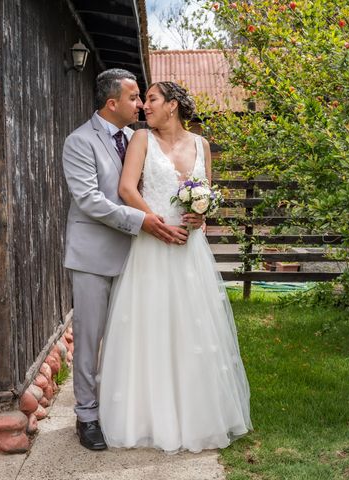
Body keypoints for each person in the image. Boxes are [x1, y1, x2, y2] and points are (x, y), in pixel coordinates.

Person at [98, 81, 252, 453]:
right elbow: (127, 189)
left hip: (190, 251)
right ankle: (149, 417)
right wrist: (157, 223)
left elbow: (207, 195)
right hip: (153, 245)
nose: (143, 107)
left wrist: (202, 216)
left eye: (151, 100)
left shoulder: (201, 145)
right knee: (151, 327)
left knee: (194, 329)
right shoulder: (140, 140)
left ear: (173, 106)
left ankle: (196, 415)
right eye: (143, 100)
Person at [62, 70, 189, 451]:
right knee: (90, 337)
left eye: (143, 98)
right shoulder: (79, 141)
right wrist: (143, 220)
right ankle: (86, 415)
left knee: (129, 340)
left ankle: (122, 410)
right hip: (94, 256)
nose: (141, 104)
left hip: (138, 257)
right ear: (112, 103)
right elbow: (90, 200)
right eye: (135, 98)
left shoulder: (140, 139)